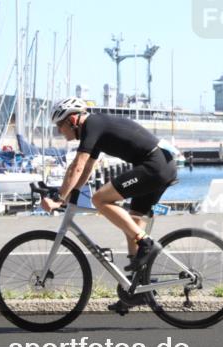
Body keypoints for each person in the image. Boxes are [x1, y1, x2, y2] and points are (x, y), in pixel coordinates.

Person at [41, 97, 177, 277]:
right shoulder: (94, 128)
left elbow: (77, 166)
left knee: (99, 198)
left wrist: (58, 198)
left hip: (154, 166)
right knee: (133, 223)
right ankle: (138, 288)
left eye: (60, 125)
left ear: (72, 120)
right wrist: (72, 193)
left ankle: (146, 242)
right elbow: (87, 167)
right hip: (161, 165)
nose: (59, 130)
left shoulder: (92, 125)